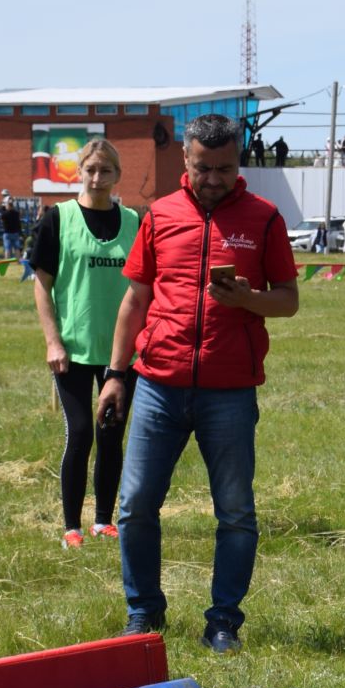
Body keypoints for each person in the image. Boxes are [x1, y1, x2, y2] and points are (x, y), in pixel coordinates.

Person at [97, 114, 299, 653]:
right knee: (135, 504)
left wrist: (247, 300)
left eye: (225, 168)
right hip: (158, 386)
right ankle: (143, 615)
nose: (213, 178)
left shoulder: (264, 218)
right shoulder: (160, 216)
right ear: (185, 161)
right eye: (203, 167)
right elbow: (135, 300)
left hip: (230, 391)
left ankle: (223, 622)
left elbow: (288, 299)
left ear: (240, 162)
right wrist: (117, 376)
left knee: (234, 510)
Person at [34, 139, 139, 549]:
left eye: (106, 170)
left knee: (111, 434)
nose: (97, 178)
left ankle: (103, 520)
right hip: (73, 351)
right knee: (80, 433)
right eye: (91, 169)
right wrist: (52, 341)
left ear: (117, 175)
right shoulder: (57, 219)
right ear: (79, 172)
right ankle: (72, 526)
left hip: (120, 352)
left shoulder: (133, 221)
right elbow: (42, 284)